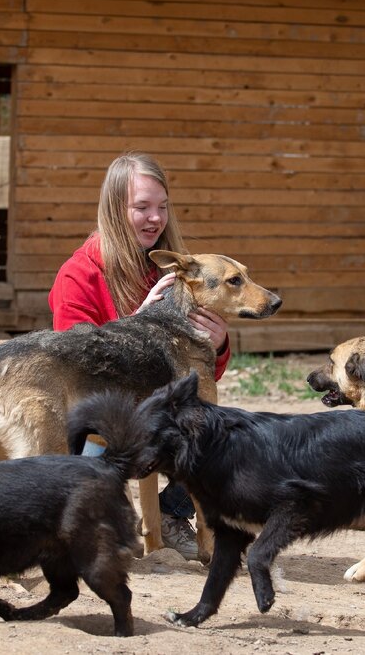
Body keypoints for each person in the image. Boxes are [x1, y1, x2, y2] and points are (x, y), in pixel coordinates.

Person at [48, 152, 230, 561]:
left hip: (154, 414)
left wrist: (216, 345)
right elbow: (73, 363)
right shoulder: (78, 275)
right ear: (115, 209)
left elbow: (199, 376)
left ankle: (169, 513)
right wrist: (140, 322)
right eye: (142, 207)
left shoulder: (174, 270)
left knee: (218, 433)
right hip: (100, 421)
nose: (155, 218)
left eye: (162, 207)